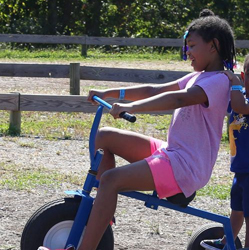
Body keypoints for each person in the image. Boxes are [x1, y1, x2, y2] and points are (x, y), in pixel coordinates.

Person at [39, 9, 236, 250]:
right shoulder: (199, 76)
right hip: (173, 152)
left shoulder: (219, 80)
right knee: (105, 137)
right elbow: (154, 90)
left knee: (110, 180)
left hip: (186, 166)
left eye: (192, 46)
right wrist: (108, 94)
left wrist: (130, 107)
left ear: (213, 46)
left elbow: (177, 100)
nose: (188, 53)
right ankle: (104, 211)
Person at [201, 49, 249, 250]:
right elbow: (222, 103)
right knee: (237, 210)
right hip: (241, 166)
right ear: (244, 75)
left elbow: (239, 105)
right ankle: (226, 243)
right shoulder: (240, 93)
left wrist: (234, 83)